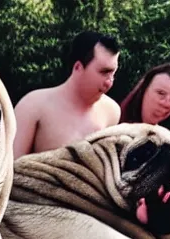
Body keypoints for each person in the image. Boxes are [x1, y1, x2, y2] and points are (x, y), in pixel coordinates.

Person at [13, 31, 121, 159]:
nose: (109, 82)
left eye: (113, 73)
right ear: (78, 67)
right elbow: (11, 168)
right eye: (104, 72)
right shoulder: (33, 105)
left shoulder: (112, 112)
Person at [120, 62, 170, 128]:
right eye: (161, 93)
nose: (166, 104)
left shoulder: (165, 136)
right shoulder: (113, 122)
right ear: (144, 90)